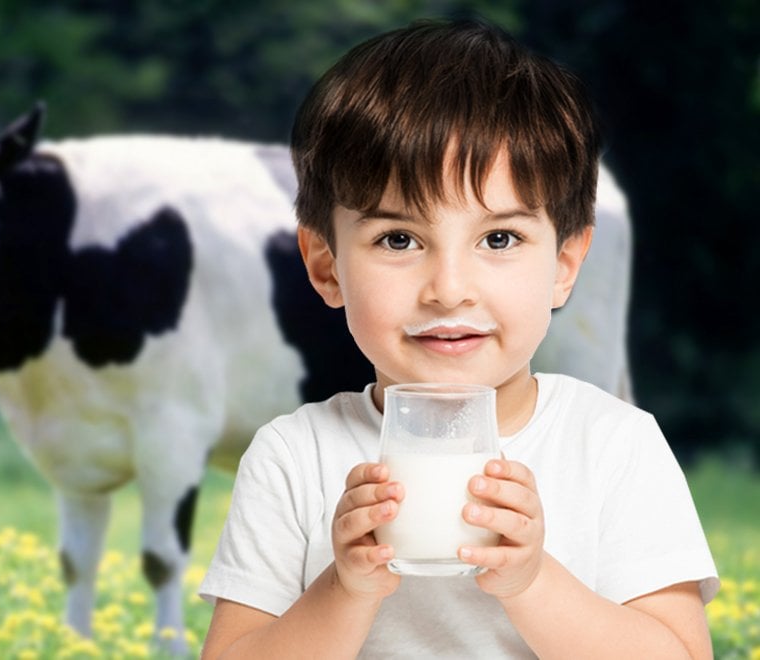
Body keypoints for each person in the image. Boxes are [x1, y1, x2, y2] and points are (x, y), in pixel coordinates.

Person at [198, 18, 719, 659]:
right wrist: (346, 588)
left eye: (499, 239)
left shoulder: (612, 446)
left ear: (564, 264)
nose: (448, 289)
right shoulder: (295, 457)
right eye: (399, 240)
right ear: (325, 266)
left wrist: (533, 582)